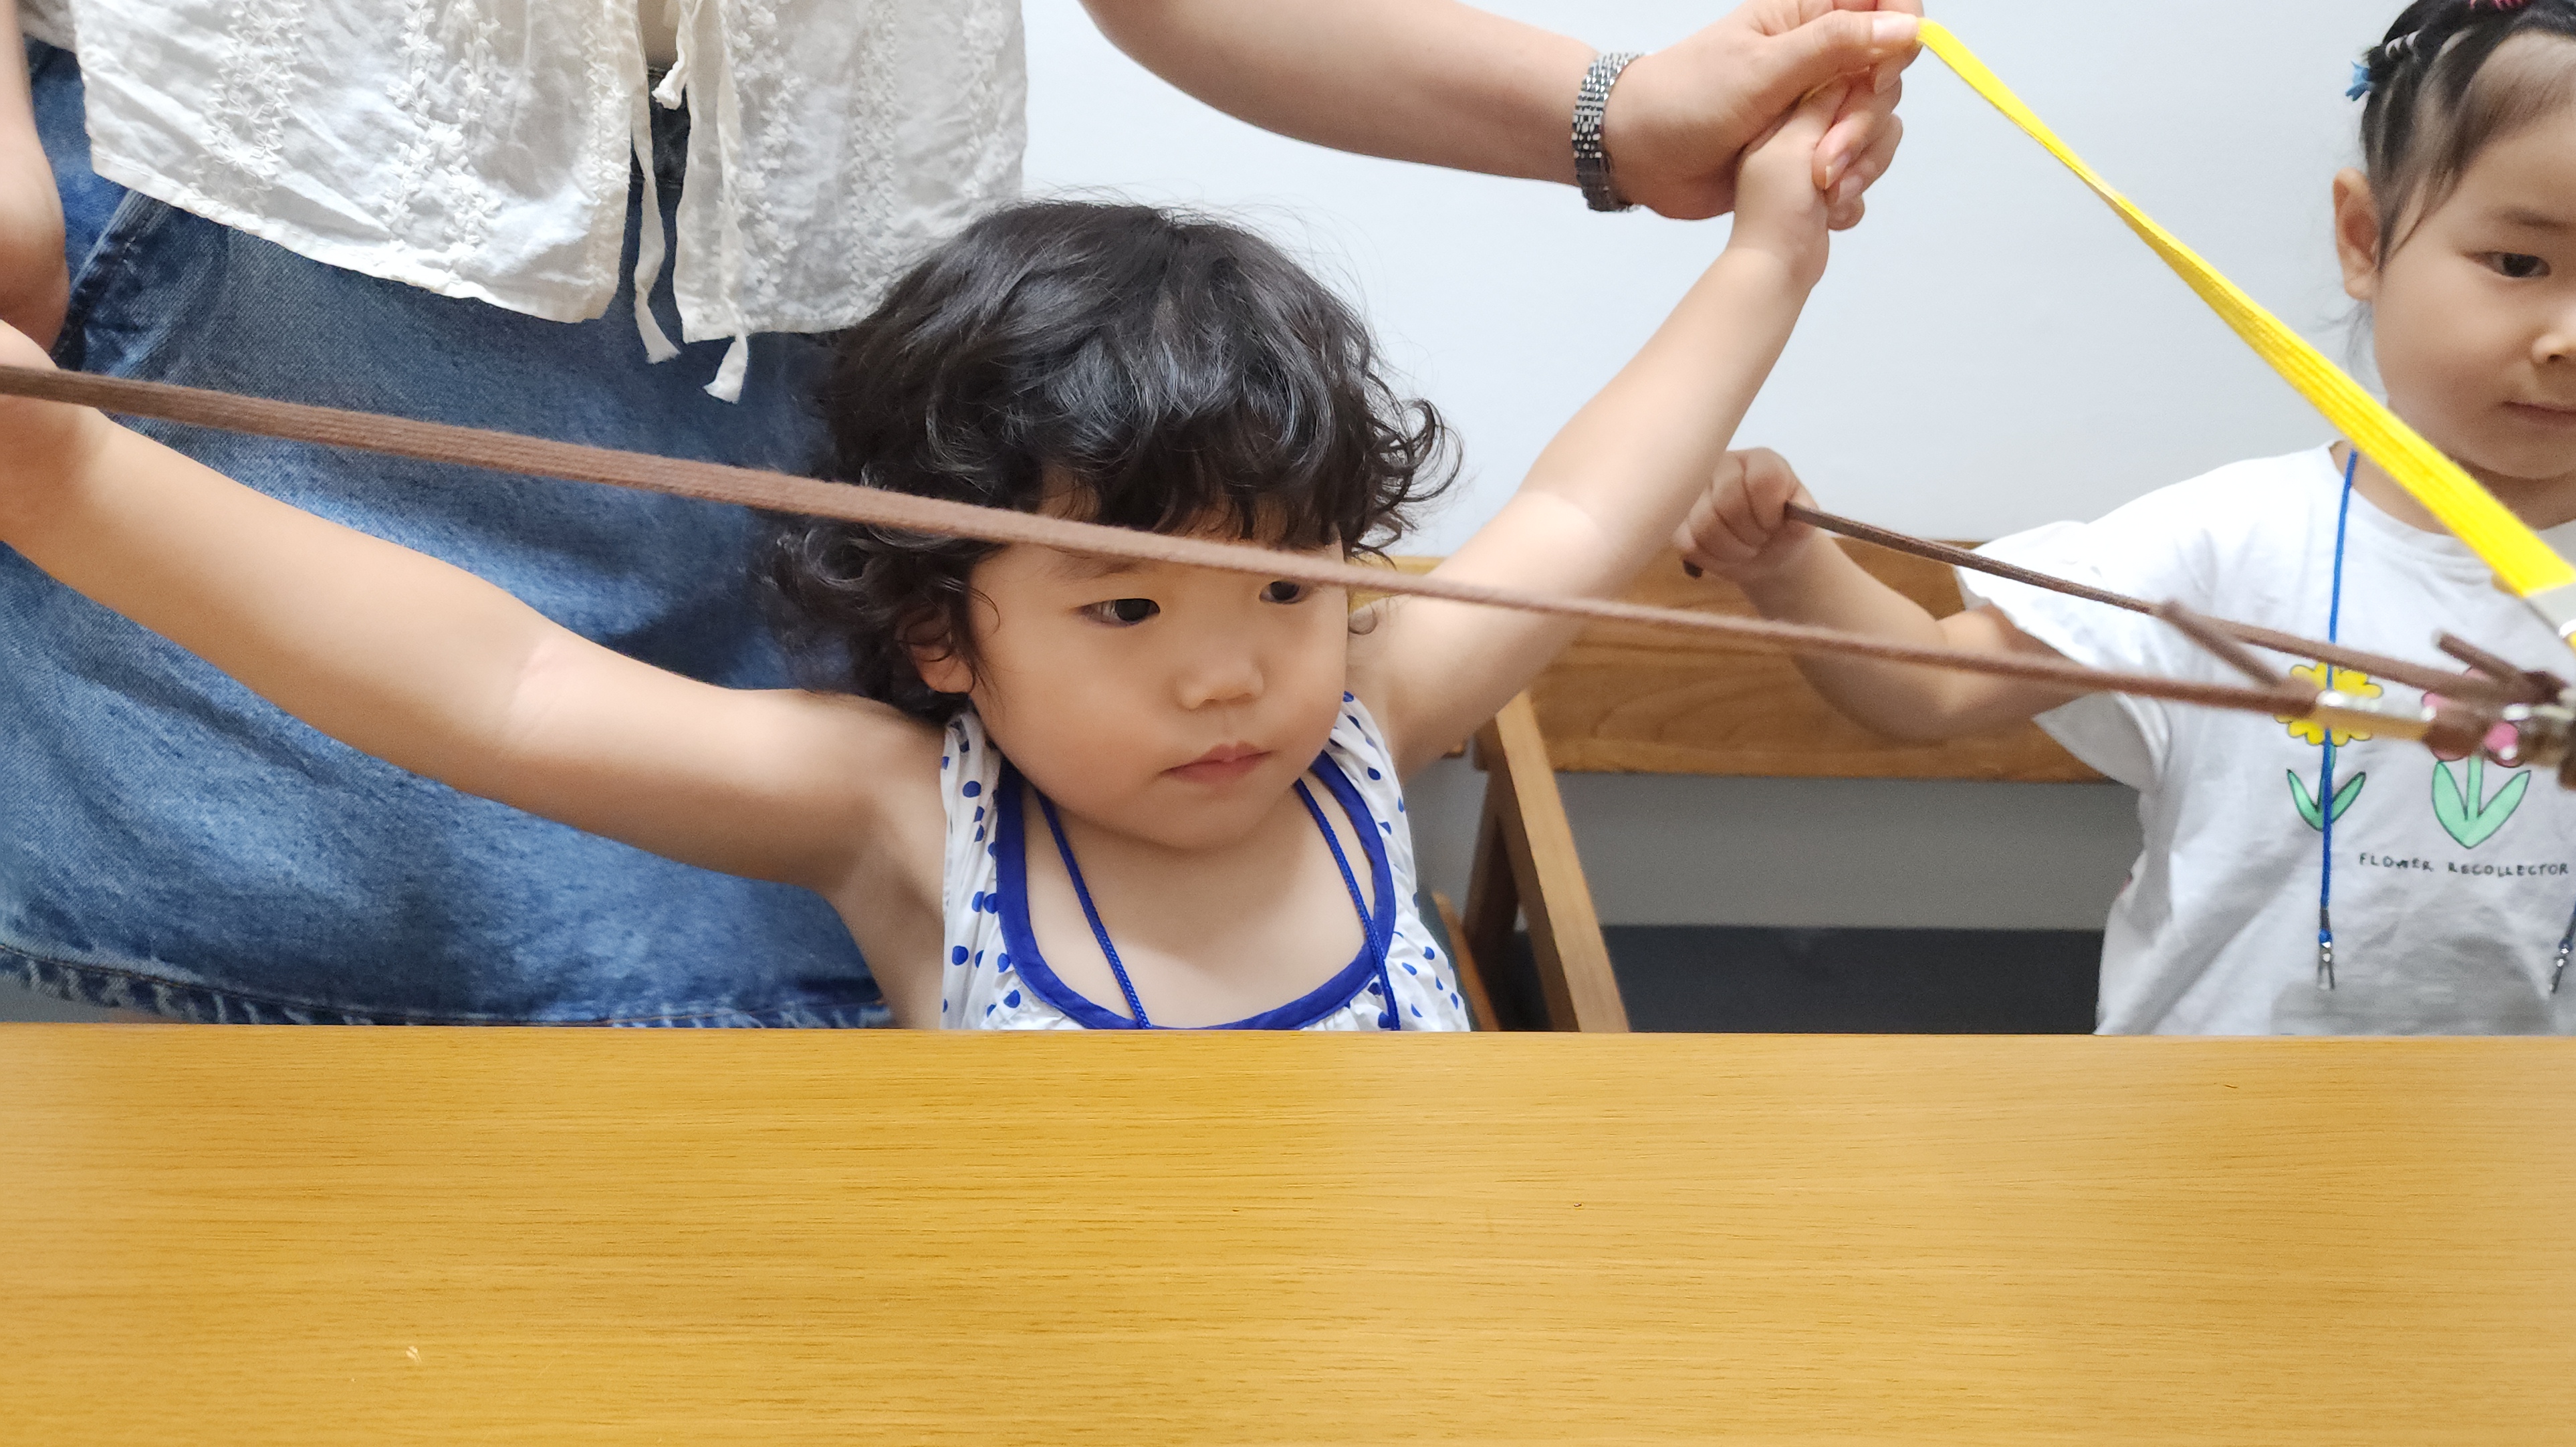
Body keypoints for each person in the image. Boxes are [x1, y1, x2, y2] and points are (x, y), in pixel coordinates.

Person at [0, 0, 1921, 1024]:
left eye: (1284, 587)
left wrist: (1769, 249)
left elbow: (1584, 499)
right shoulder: (899, 818)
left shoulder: (1364, 729)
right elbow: (502, 685)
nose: (1231, 678)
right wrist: (61, 467)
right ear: (939, 630)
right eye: (1124, 607)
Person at [1674, 0, 2576, 1036]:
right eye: (2520, 263)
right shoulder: (2227, 541)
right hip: (2219, 1111)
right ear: (2366, 239)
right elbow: (1931, 683)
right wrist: (1788, 567)